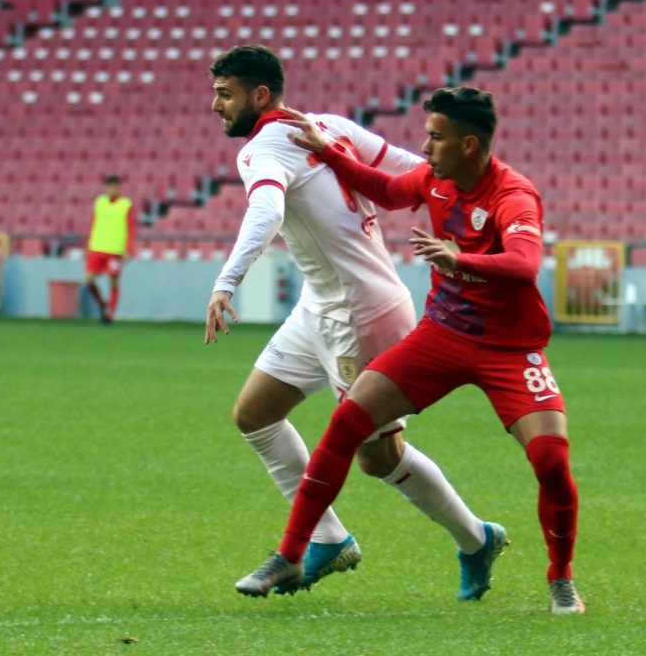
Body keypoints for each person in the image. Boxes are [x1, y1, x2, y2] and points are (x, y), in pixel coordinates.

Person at [236, 87, 585, 615]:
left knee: (551, 460)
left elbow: (523, 264)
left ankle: (560, 578)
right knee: (347, 422)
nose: (424, 147)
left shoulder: (514, 194)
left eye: (436, 137)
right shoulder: (433, 179)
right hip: (441, 336)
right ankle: (291, 553)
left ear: (469, 145)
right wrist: (329, 152)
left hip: (509, 348)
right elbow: (386, 189)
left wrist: (459, 259)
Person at [205, 45, 502, 600]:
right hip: (320, 304)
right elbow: (415, 170)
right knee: (256, 414)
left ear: (260, 95)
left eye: (225, 94)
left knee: (377, 456)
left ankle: (475, 538)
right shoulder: (329, 126)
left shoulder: (262, 150)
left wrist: (226, 283)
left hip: (359, 314)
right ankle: (327, 538)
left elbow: (267, 211)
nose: (216, 105)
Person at [84, 175, 134, 323]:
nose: (113, 190)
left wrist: (128, 248)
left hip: (115, 250)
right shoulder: (100, 202)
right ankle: (101, 303)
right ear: (106, 188)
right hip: (97, 247)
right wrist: (88, 245)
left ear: (119, 188)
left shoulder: (126, 205)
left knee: (113, 281)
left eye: (115, 187)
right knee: (89, 280)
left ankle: (110, 313)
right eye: (110, 187)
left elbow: (131, 228)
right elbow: (93, 223)